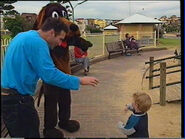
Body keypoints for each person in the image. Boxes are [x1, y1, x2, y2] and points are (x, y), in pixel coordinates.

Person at [1, 17, 99, 138]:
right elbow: (50, 75)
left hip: (9, 98)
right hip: (18, 101)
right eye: (60, 39)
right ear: (52, 32)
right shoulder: (38, 42)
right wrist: (79, 80)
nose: (59, 43)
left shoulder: (23, 36)